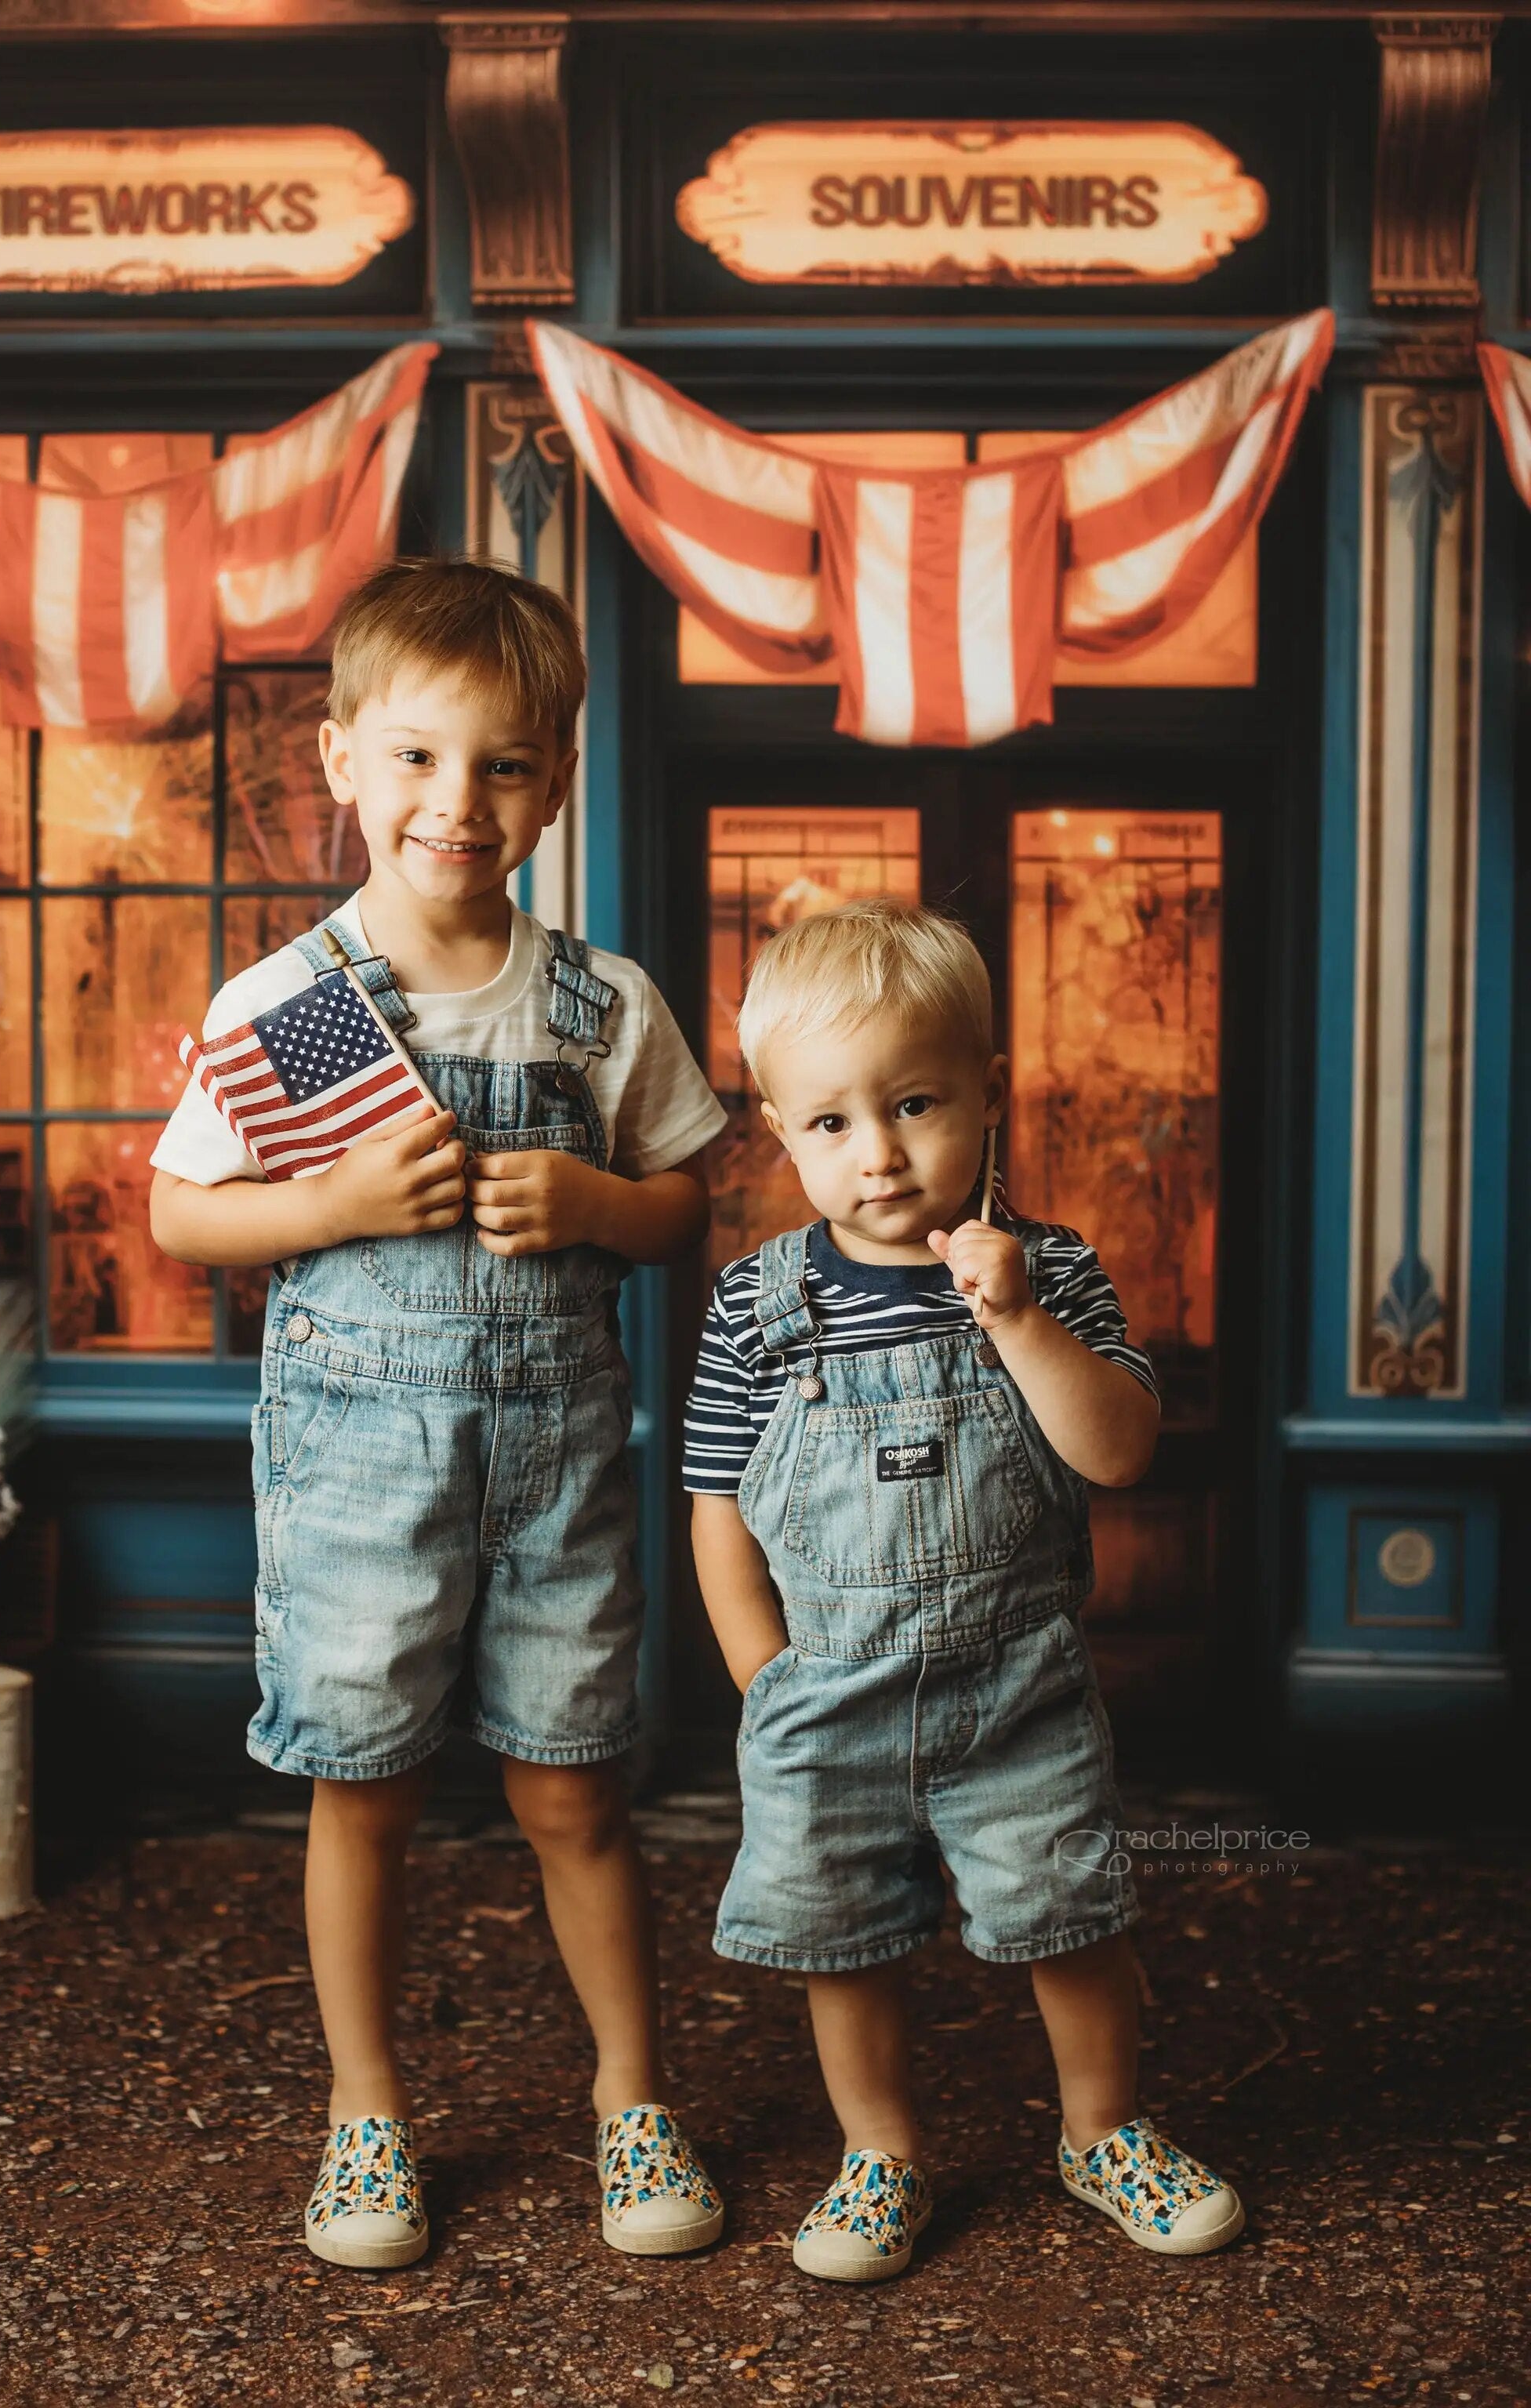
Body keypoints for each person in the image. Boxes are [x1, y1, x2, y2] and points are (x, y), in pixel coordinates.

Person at [151, 557, 727, 2271]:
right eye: (413, 759)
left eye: (499, 766)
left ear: (553, 780)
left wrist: (593, 1207)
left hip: (557, 1472)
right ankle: (367, 2114)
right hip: (358, 1476)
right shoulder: (292, 1005)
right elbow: (188, 1216)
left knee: (573, 1794)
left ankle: (631, 2094)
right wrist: (324, 1206)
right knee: (366, 1788)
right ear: (339, 761)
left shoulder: (600, 1003)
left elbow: (689, 1202)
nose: (453, 804)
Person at [684, 900, 1244, 2283]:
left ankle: (1104, 2128)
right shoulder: (755, 1311)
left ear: (990, 1091)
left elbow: (1116, 1454)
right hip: (827, 1689)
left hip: (1019, 1685)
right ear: (776, 1128)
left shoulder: (1053, 1271)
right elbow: (714, 1509)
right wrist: (765, 1676)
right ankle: (879, 2154)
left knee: (1072, 1913)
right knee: (843, 1938)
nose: (877, 1155)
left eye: (916, 1104)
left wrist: (1020, 1319)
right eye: (830, 1124)